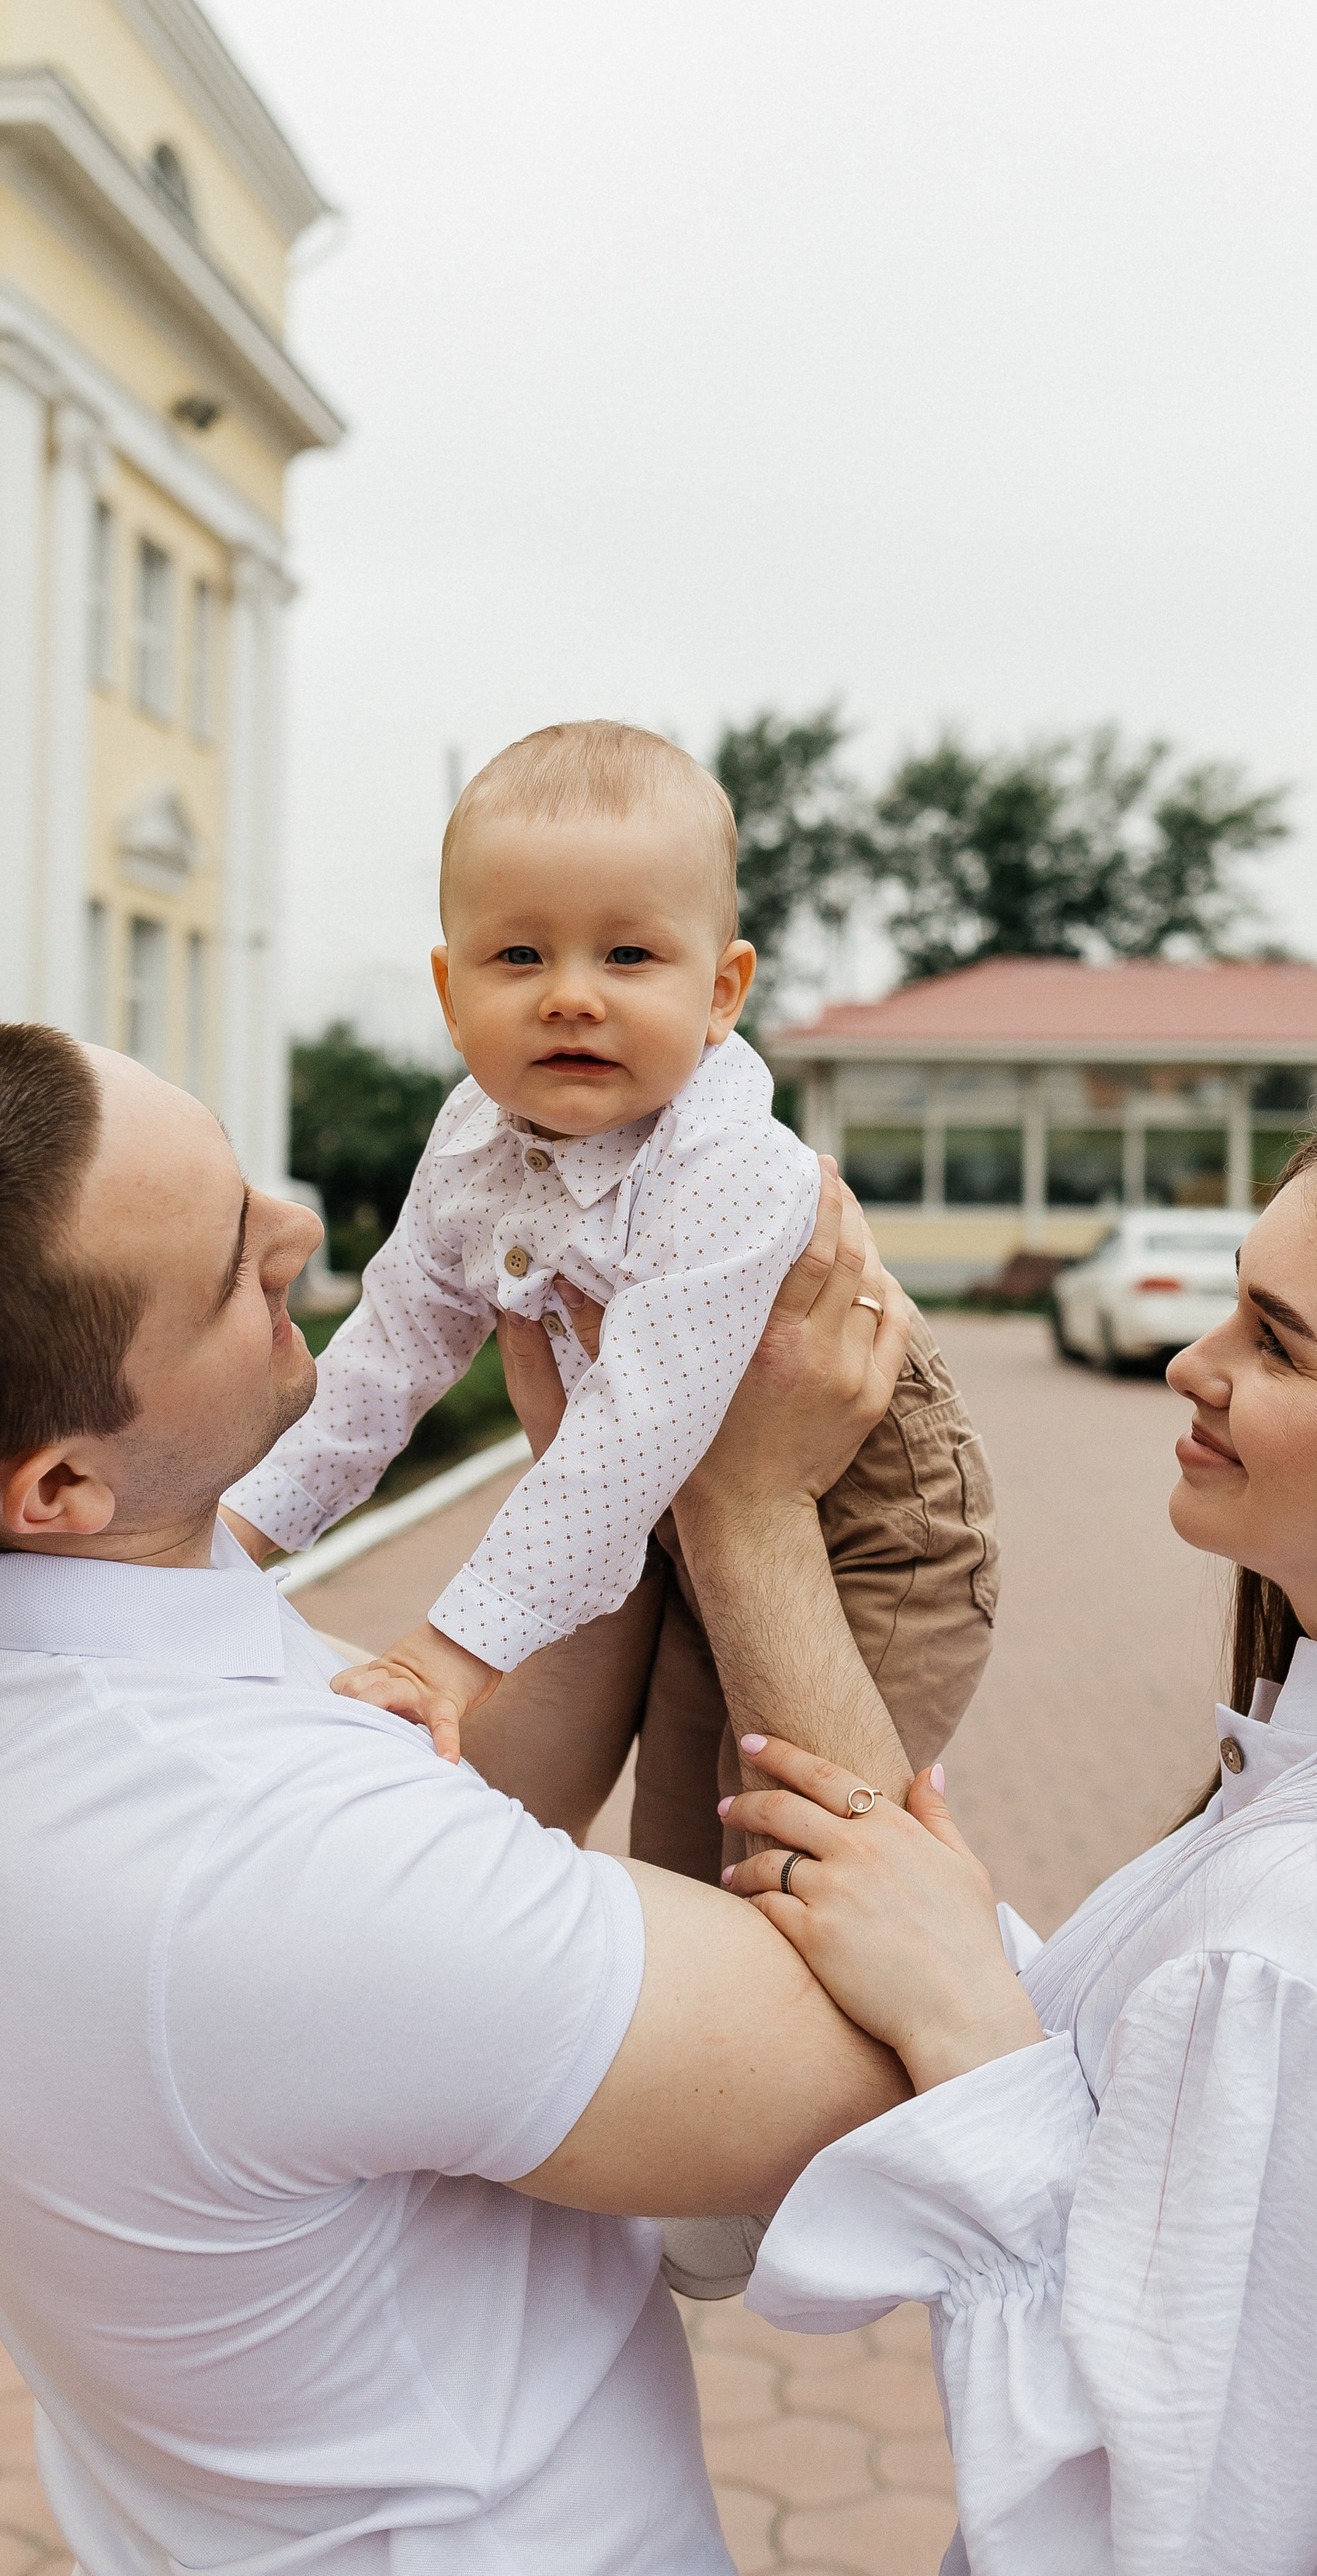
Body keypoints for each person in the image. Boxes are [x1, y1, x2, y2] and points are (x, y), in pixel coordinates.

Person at [0, 1024, 922, 2576]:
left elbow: (419, 1796)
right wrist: (749, 1515)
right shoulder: (264, 1871)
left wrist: (599, 1485)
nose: (298, 1229)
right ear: (61, 1486)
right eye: (225, 1263)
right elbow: (908, 2065)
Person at [718, 1100, 1317, 2576]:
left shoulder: (1316, 1958)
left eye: (1276, 1339)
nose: (1188, 1362)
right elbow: (1135, 2085)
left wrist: (969, 2032)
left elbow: (1138, 2539)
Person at [226, 718, 997, 1870]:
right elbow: (387, 1355)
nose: (572, 997)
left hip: (868, 1525)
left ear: (722, 990)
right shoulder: (472, 1139)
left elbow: (634, 1432)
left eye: (629, 957)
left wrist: (453, 1651)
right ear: (449, 990)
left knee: (774, 1840)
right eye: (519, 958)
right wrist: (227, 1535)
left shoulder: (728, 1165)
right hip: (658, 1501)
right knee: (677, 1847)